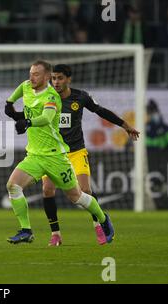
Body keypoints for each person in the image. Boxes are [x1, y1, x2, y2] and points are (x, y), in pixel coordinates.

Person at [4, 60, 115, 245]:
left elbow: (46, 118)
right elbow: (16, 94)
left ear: (46, 77)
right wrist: (9, 104)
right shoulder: (25, 86)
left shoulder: (52, 97)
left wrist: (28, 122)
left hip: (56, 157)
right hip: (34, 156)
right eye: (30, 73)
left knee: (77, 197)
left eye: (36, 74)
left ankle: (103, 220)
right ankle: (26, 230)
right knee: (13, 186)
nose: (32, 77)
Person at [43, 64, 138, 246]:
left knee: (85, 191)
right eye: (53, 78)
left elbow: (101, 111)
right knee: (47, 190)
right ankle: (55, 234)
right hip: (53, 154)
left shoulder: (81, 96)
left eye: (60, 78)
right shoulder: (46, 99)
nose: (56, 82)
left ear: (68, 79)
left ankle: (99, 224)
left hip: (76, 151)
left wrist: (125, 125)